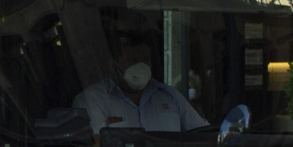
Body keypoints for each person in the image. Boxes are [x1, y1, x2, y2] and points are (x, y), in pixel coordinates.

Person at [73, 28, 207, 135]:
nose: (141, 66)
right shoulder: (93, 100)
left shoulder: (170, 95)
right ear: (113, 65)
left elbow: (201, 134)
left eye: (146, 59)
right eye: (133, 60)